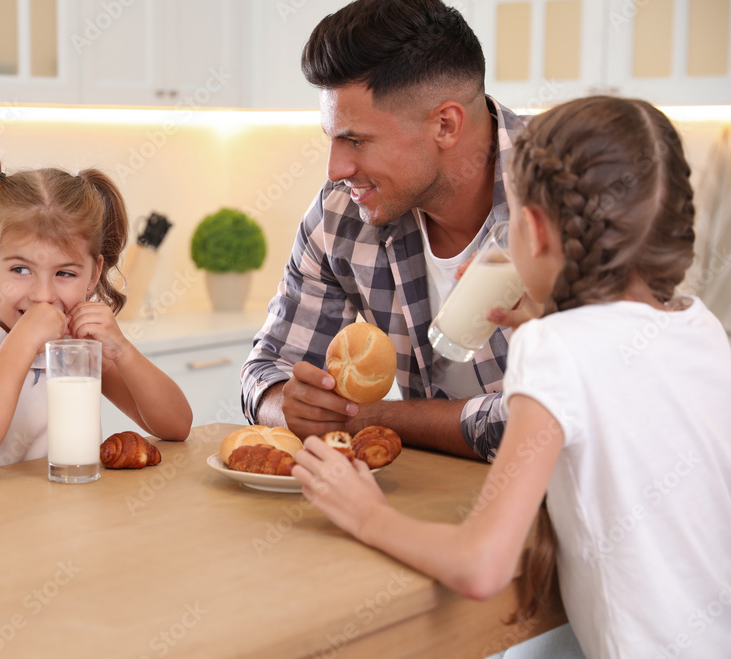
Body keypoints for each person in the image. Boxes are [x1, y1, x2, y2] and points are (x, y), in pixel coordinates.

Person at [292, 96, 731, 657]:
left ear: (534, 230)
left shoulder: (555, 349)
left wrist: (365, 512)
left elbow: (480, 566)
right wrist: (542, 333)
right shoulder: (700, 326)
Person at [241, 0, 527, 461]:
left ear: (446, 125)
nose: (336, 168)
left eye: (356, 140)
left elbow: (555, 415)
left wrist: (371, 417)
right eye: (333, 139)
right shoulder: (341, 213)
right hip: (419, 502)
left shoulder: (570, 197)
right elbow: (268, 368)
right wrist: (287, 405)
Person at [0, 157, 192, 478]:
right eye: (20, 269)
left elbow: (177, 426)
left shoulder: (77, 347)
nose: (43, 295)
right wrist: (23, 341)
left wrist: (121, 349)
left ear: (93, 276)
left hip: (69, 519)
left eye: (65, 272)